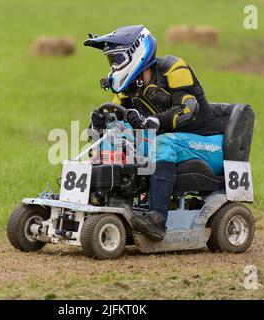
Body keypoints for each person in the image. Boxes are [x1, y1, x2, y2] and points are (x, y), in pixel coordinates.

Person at [84, 25, 225, 241]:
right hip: (173, 144)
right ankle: (96, 201)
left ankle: (157, 219)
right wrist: (100, 125)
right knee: (113, 140)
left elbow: (188, 110)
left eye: (116, 60)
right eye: (111, 61)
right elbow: (114, 117)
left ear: (135, 53)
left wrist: (151, 121)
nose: (113, 66)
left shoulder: (173, 68)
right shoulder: (129, 87)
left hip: (209, 144)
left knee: (163, 144)